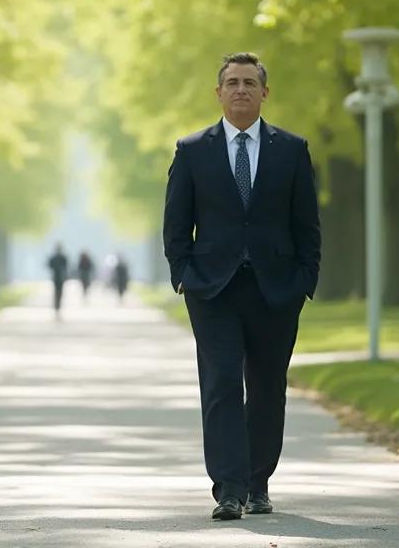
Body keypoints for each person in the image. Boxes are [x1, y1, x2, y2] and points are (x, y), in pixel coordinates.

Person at [162, 52, 321, 521]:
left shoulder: (291, 150)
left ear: (264, 92)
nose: (240, 90)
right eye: (232, 82)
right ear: (219, 92)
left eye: (250, 82)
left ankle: (258, 484)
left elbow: (307, 225)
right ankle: (228, 488)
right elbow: (176, 224)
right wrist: (183, 275)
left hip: (276, 290)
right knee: (222, 382)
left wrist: (304, 281)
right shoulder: (192, 150)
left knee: (268, 388)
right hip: (212, 290)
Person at [46, 244, 69, 318]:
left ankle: (57, 305)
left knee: (58, 291)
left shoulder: (59, 257)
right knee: (58, 291)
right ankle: (57, 305)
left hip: (58, 277)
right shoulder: (60, 257)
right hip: (58, 277)